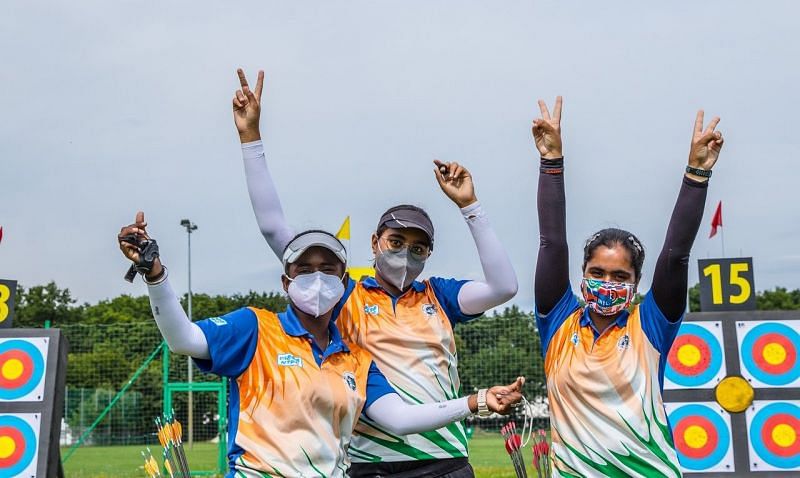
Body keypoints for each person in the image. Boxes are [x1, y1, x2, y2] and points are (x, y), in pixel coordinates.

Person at [232, 69, 519, 477]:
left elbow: (505, 286)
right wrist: (250, 137)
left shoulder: (440, 296)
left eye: (418, 247)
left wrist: (470, 206)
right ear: (374, 243)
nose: (406, 254)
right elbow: (275, 229)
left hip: (447, 463)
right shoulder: (344, 294)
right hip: (373, 466)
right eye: (396, 242)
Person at [118, 214, 524, 478]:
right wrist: (155, 274)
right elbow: (182, 338)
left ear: (342, 280)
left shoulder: (356, 361)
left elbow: (400, 419)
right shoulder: (253, 327)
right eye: (304, 270)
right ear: (285, 281)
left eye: (328, 270)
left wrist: (478, 401)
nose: (317, 279)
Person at [532, 97, 723, 477]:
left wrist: (696, 175)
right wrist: (551, 162)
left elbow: (677, 255)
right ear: (582, 272)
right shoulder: (557, 320)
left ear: (636, 284)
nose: (607, 283)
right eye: (597, 272)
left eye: (620, 277)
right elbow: (552, 241)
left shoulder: (650, 325)